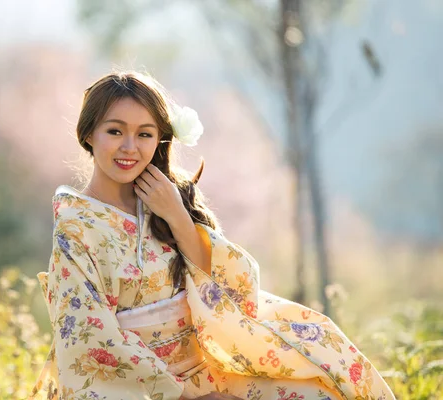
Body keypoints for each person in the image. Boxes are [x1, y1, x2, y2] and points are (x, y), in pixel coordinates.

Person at [29, 71, 395, 400]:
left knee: (317, 390)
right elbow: (89, 337)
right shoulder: (76, 228)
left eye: (144, 134)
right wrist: (186, 396)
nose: (129, 147)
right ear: (88, 134)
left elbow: (229, 290)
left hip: (202, 370)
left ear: (159, 140)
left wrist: (176, 216)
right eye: (115, 131)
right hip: (137, 386)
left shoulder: (167, 200)